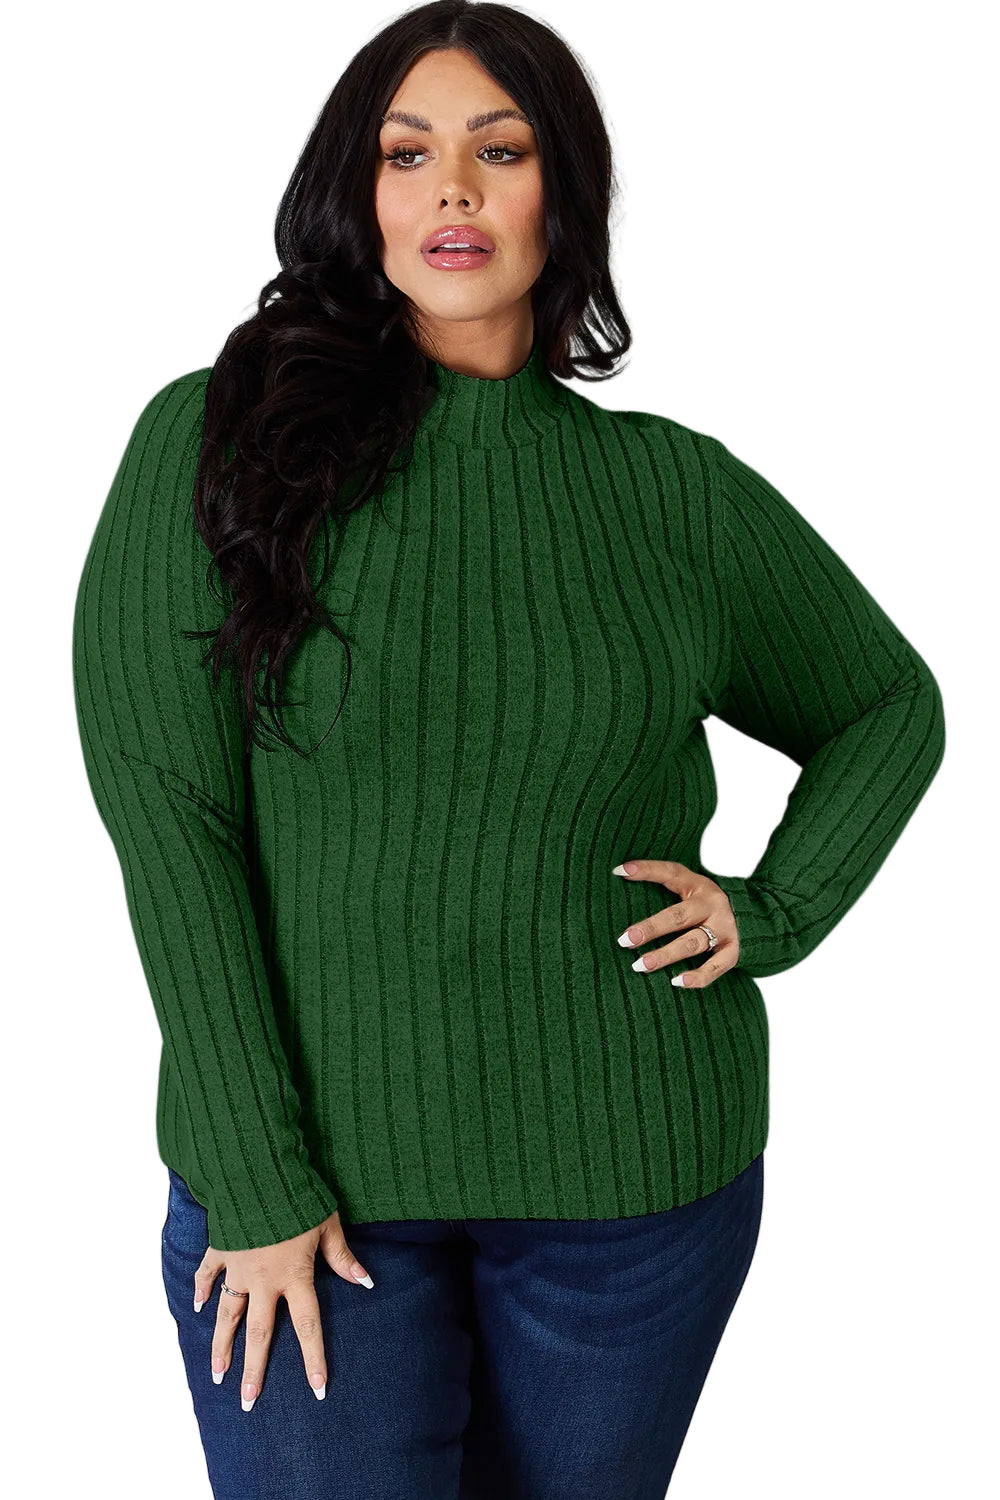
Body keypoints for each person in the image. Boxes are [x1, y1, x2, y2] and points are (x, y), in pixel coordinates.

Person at [70, 4, 946, 1497]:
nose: (456, 190)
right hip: (309, 1194)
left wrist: (775, 908)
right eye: (407, 154)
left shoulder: (672, 492)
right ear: (355, 193)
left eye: (504, 148)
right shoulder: (213, 443)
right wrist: (252, 1169)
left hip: (635, 1182)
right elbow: (169, 817)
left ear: (565, 193)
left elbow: (886, 706)